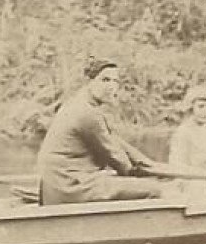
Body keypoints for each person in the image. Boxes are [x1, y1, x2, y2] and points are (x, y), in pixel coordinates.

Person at [36, 57, 168, 205]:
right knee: (155, 189)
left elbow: (115, 141)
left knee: (130, 182)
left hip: (61, 185)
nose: (111, 86)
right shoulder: (86, 113)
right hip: (71, 187)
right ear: (89, 82)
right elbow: (119, 160)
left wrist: (150, 164)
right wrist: (145, 173)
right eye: (105, 80)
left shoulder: (77, 104)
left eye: (115, 81)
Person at [167, 84, 206, 177]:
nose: (205, 111)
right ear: (191, 109)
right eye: (201, 106)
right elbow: (177, 165)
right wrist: (204, 174)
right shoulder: (183, 132)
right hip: (191, 180)